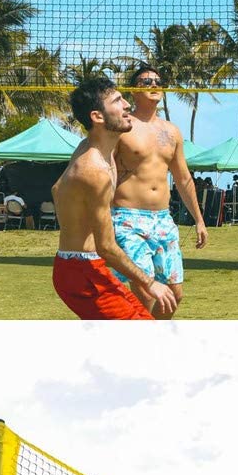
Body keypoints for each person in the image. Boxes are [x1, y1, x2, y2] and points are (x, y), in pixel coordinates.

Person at [52, 77, 176, 320]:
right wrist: (150, 283)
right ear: (98, 117)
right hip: (80, 270)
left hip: (85, 265)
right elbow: (106, 247)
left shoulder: (92, 149)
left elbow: (57, 188)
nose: (127, 105)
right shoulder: (94, 170)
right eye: (117, 101)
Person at [111, 65, 208, 319]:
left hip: (163, 219)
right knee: (145, 289)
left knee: (174, 295)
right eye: (146, 82)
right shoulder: (122, 126)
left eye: (158, 81)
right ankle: (144, 348)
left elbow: (183, 178)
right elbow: (105, 170)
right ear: (134, 91)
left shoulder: (172, 131)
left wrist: (199, 219)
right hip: (127, 218)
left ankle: (154, 338)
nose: (154, 85)